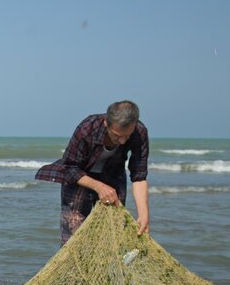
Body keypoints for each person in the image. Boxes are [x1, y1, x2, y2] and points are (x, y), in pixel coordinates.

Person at [35, 100, 150, 244]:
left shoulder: (139, 132)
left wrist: (144, 214)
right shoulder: (87, 129)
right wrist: (99, 187)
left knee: (111, 234)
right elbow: (70, 168)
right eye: (116, 135)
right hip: (80, 177)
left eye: (127, 136)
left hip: (113, 175)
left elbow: (139, 175)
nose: (121, 141)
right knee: (74, 239)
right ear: (106, 123)